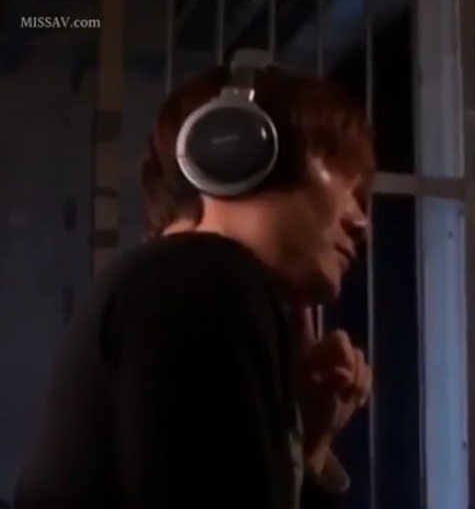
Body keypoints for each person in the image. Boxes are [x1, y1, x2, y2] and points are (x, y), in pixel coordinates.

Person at [15, 58, 375, 509]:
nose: (362, 223)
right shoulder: (204, 277)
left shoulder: (169, 283)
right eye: (343, 178)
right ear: (236, 148)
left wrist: (307, 445)